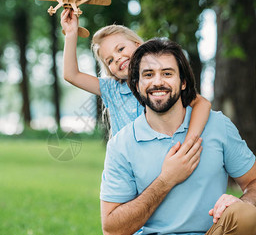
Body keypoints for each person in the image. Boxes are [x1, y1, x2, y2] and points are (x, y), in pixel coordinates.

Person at [100, 38, 256, 235]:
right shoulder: (121, 144)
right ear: (137, 84)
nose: (157, 82)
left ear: (183, 83)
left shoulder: (217, 125)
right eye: (148, 74)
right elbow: (112, 232)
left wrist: (242, 202)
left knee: (245, 213)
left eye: (167, 73)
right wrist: (166, 180)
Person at [60, 9, 211, 138]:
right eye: (110, 60)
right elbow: (71, 75)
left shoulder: (160, 83)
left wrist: (191, 140)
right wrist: (71, 33)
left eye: (120, 49)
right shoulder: (112, 89)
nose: (118, 58)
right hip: (126, 167)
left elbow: (202, 103)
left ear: (138, 45)